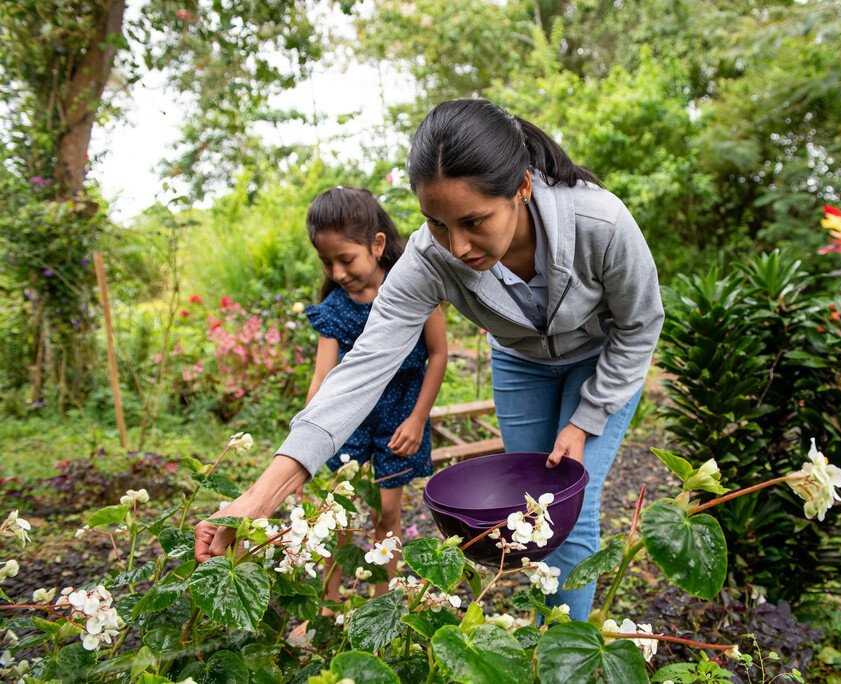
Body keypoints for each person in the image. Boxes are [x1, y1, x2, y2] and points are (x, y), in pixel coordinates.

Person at [195, 99, 664, 621]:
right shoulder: (427, 258)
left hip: (601, 360)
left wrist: (587, 418)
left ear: (522, 188)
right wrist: (260, 498)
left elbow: (641, 323)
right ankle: (543, 637)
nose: (457, 246)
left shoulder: (600, 222)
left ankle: (565, 657)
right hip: (520, 361)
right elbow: (363, 368)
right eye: (437, 224)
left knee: (567, 511)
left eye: (473, 221)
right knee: (532, 511)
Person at [302, 186, 447, 596]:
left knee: (387, 512)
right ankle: (328, 604)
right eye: (327, 263)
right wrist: (307, 441)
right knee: (338, 516)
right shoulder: (334, 310)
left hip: (400, 416)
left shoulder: (417, 292)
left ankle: (381, 603)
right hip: (349, 422)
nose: (337, 273)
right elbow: (322, 379)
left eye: (345, 259)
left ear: (377, 245)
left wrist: (418, 419)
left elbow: (437, 355)